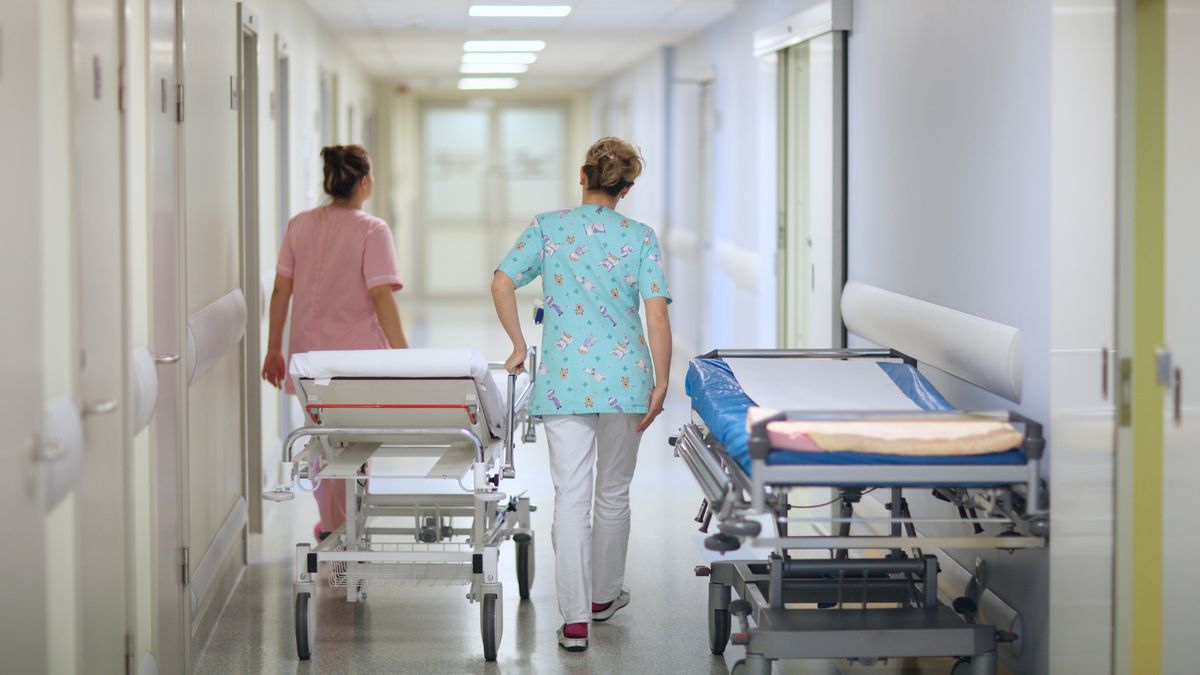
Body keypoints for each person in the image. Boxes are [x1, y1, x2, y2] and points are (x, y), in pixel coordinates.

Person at [491, 136, 673, 652]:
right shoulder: (640, 237)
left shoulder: (548, 228)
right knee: (613, 493)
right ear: (626, 189)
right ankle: (602, 598)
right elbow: (657, 315)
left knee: (571, 497)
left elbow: (502, 282)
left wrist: (518, 346)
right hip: (627, 382)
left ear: (582, 175)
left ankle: (574, 622)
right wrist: (662, 381)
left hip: (565, 381)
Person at [262, 144, 408, 541]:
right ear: (364, 182)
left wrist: (274, 349)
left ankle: (332, 527)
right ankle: (345, 532)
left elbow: (281, 290)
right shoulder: (372, 230)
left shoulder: (299, 225)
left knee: (322, 442)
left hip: (309, 361)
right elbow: (381, 296)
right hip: (356, 362)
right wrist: (404, 357)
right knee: (354, 448)